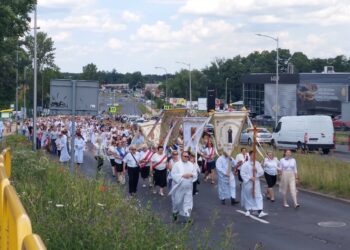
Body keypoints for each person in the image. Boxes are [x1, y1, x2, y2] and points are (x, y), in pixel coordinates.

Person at [169, 151, 198, 223]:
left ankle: (188, 218)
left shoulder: (191, 164)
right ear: (181, 156)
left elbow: (195, 174)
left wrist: (191, 175)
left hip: (188, 187)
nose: (186, 157)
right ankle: (175, 214)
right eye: (185, 156)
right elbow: (173, 174)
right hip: (179, 187)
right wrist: (182, 175)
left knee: (188, 203)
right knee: (177, 202)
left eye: (187, 156)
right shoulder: (177, 165)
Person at [240, 150, 268, 218]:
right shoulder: (245, 164)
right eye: (253, 155)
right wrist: (250, 177)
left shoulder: (257, 163)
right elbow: (242, 173)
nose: (254, 157)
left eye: (255, 155)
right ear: (250, 155)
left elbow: (261, 172)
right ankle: (248, 209)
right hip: (248, 182)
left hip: (256, 181)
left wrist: (256, 171)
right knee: (248, 195)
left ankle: (260, 210)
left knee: (258, 195)